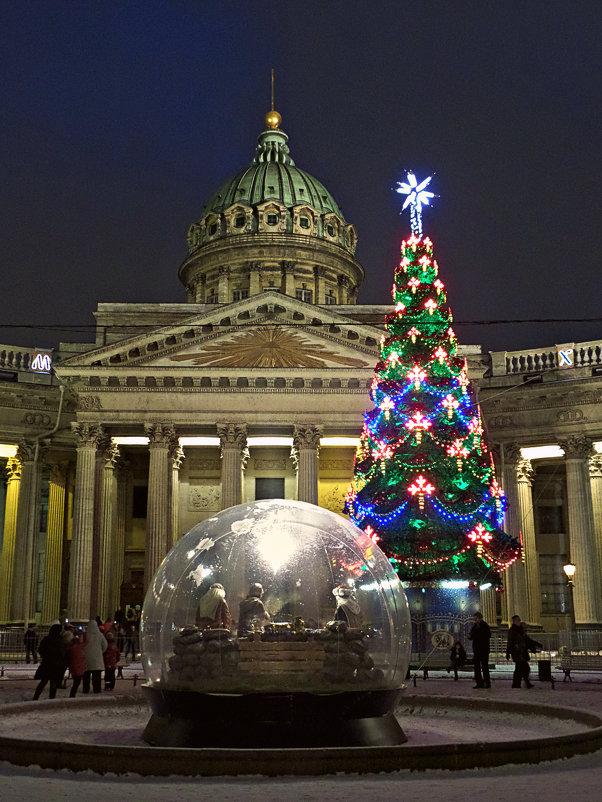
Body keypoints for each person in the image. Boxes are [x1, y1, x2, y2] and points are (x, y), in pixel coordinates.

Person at [32, 624, 67, 700]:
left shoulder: (46, 639)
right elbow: (63, 653)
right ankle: (51, 699)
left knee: (43, 682)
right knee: (53, 683)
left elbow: (41, 650)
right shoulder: (60, 641)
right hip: (55, 666)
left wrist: (45, 657)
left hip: (47, 664)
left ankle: (36, 697)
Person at [506, 615, 542, 688]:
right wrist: (508, 652)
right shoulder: (512, 631)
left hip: (522, 652)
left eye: (519, 620)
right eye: (517, 620)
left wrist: (536, 644)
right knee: (522, 668)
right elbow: (510, 643)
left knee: (522, 668)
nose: (519, 622)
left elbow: (527, 640)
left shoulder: (521, 630)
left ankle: (520, 683)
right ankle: (519, 684)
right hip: (517, 653)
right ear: (514, 621)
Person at [82, 619, 107, 694]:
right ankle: (97, 689)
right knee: (96, 676)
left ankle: (85, 689)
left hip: (86, 658)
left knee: (86, 676)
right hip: (97, 659)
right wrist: (101, 651)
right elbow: (105, 645)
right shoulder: (100, 635)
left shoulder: (85, 635)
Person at [468, 611, 491, 688]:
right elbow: (472, 636)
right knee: (477, 667)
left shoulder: (485, 625)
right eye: (474, 619)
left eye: (476, 618)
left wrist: (477, 633)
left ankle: (487, 683)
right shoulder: (474, 626)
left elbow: (487, 635)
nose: (475, 620)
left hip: (484, 649)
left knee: (485, 667)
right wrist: (470, 636)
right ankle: (479, 682)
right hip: (477, 649)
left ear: (479, 618)